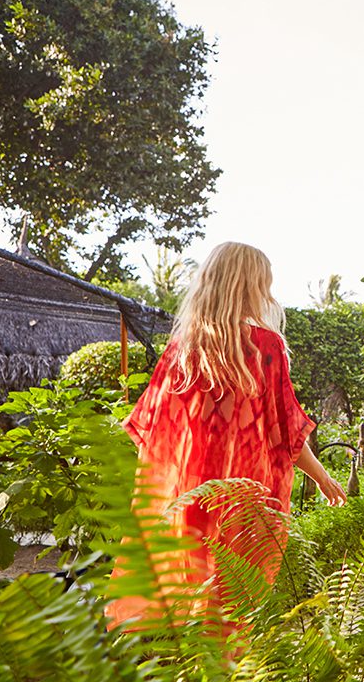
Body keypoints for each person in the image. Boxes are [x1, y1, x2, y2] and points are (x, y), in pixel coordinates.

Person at [106, 242, 346, 630]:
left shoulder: (182, 349)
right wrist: (322, 477)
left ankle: (192, 678)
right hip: (243, 497)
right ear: (245, 286)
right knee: (235, 600)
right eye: (263, 285)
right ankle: (226, 678)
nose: (267, 296)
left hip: (191, 496)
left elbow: (155, 433)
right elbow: (284, 433)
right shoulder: (264, 346)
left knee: (193, 597)